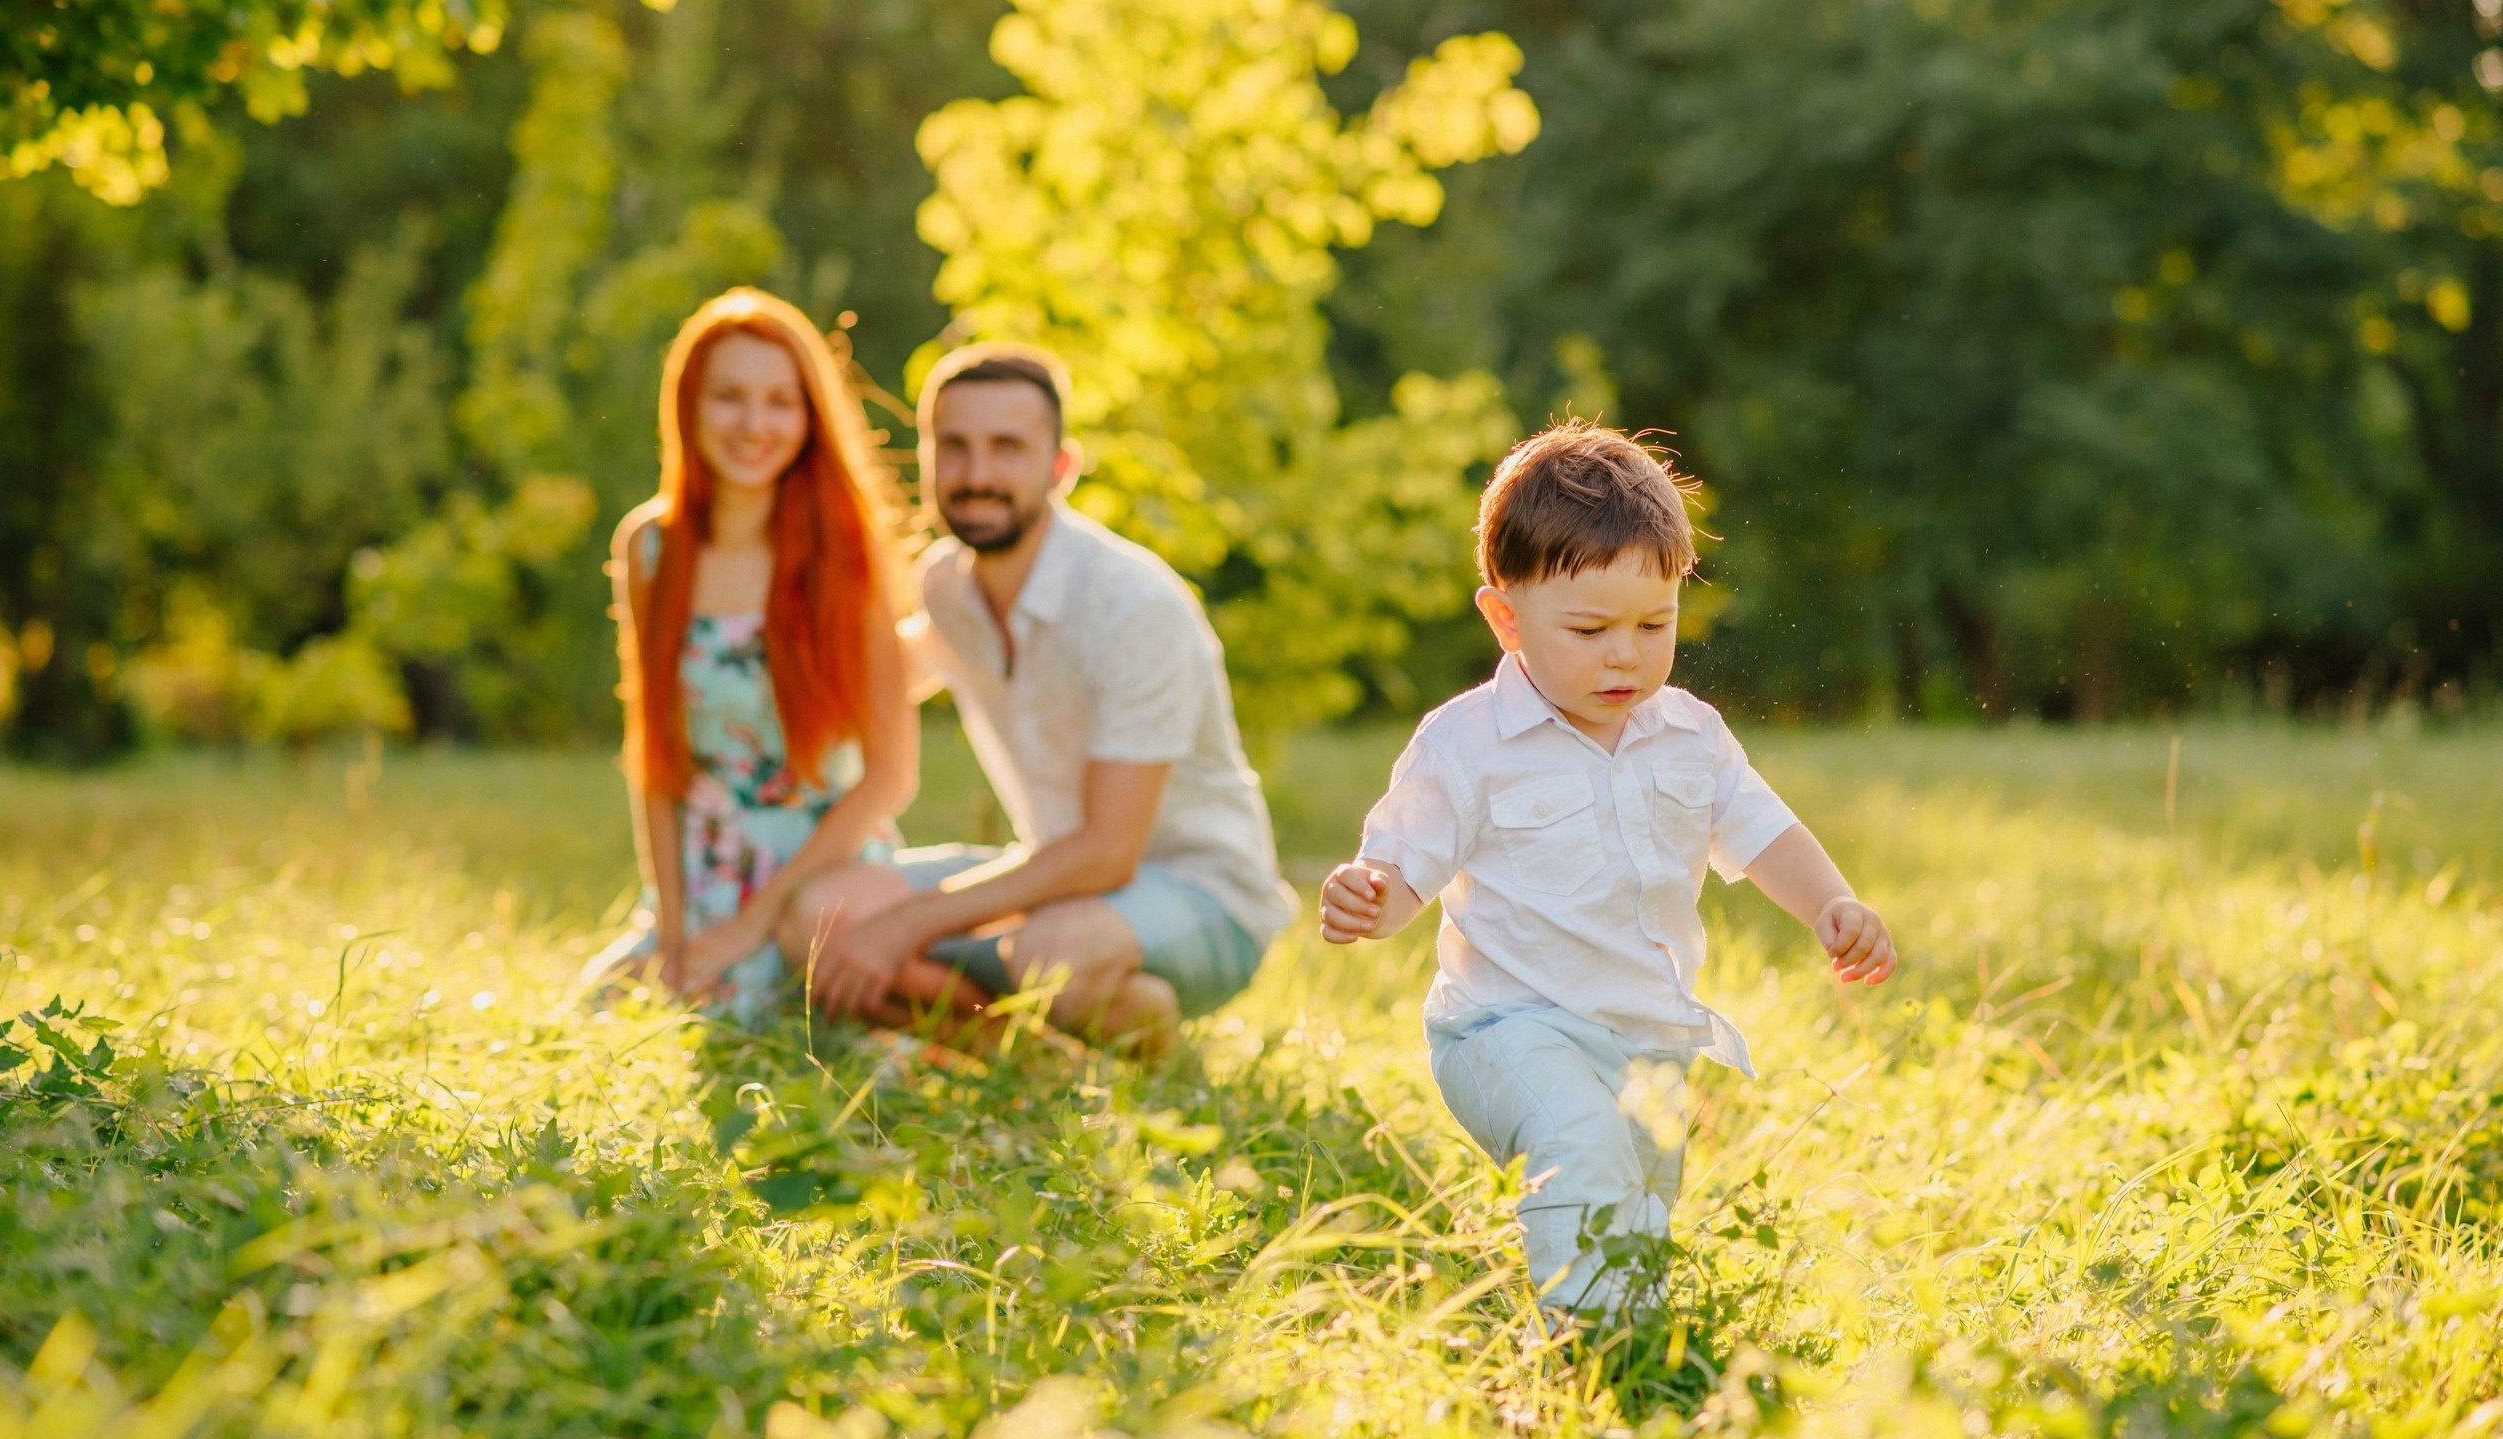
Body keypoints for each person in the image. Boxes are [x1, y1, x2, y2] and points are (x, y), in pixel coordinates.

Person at [1315, 420, 1896, 1316]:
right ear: (1506, 618)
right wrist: (1370, 896)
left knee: (1636, 1204)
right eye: (1588, 628)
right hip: (1506, 1025)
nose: (1625, 652)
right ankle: (1595, 1353)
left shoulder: (1689, 732)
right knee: (1577, 1142)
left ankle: (1637, 1339)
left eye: (1653, 623)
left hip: (1648, 1035)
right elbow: (1406, 865)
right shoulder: (1468, 742)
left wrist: (1832, 904)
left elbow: (1758, 827)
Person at [787, 342, 1295, 1050]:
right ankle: (1038, 1054)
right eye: (954, 448)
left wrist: (908, 924)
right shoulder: (946, 587)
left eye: (1007, 448)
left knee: (1050, 952)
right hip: (1056, 882)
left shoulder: (1131, 604)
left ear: (1061, 467)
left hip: (1202, 895)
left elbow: (1108, 853)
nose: (978, 474)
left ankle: (1081, 1013)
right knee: (820, 910)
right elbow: (871, 685)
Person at [584, 288, 917, 1024]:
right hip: (700, 869)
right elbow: (656, 755)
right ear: (691, 405)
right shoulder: (650, 547)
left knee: (792, 1023)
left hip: (819, 870)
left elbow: (890, 776)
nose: (755, 424)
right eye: (730, 397)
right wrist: (674, 929)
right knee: (605, 1015)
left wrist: (751, 923)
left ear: (809, 416)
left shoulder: (850, 556)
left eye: (779, 401)